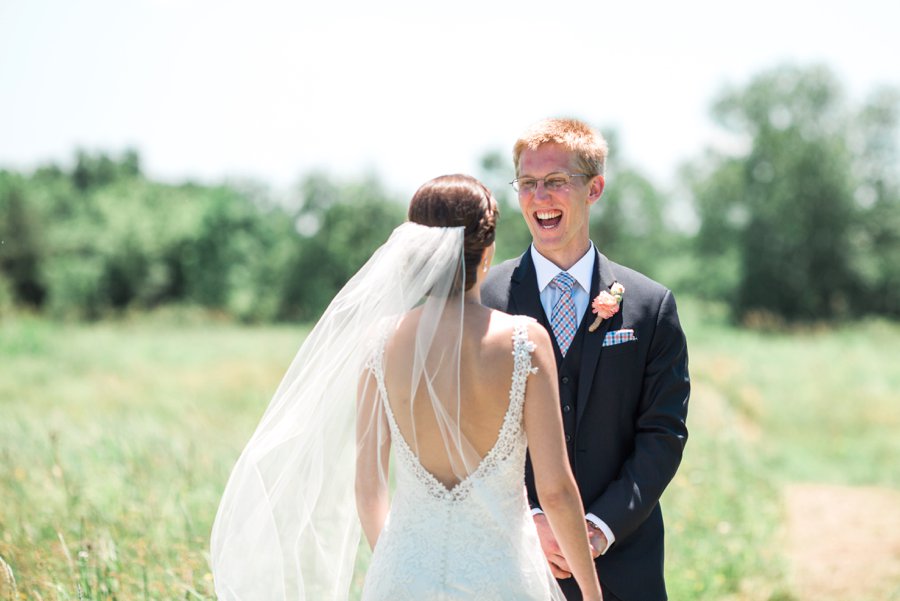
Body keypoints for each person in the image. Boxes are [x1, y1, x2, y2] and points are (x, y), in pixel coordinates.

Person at [210, 174, 602, 601]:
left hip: (402, 576)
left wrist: (402, 562)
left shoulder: (380, 342)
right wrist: (592, 593)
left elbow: (368, 485)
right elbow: (556, 492)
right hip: (502, 578)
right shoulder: (524, 342)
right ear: (486, 253)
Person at [481, 119, 690, 601]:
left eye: (556, 181)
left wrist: (596, 528)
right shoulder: (482, 303)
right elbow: (464, 434)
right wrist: (531, 521)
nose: (539, 197)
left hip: (622, 565)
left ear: (594, 188)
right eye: (528, 183)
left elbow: (662, 433)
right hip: (510, 562)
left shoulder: (649, 305)